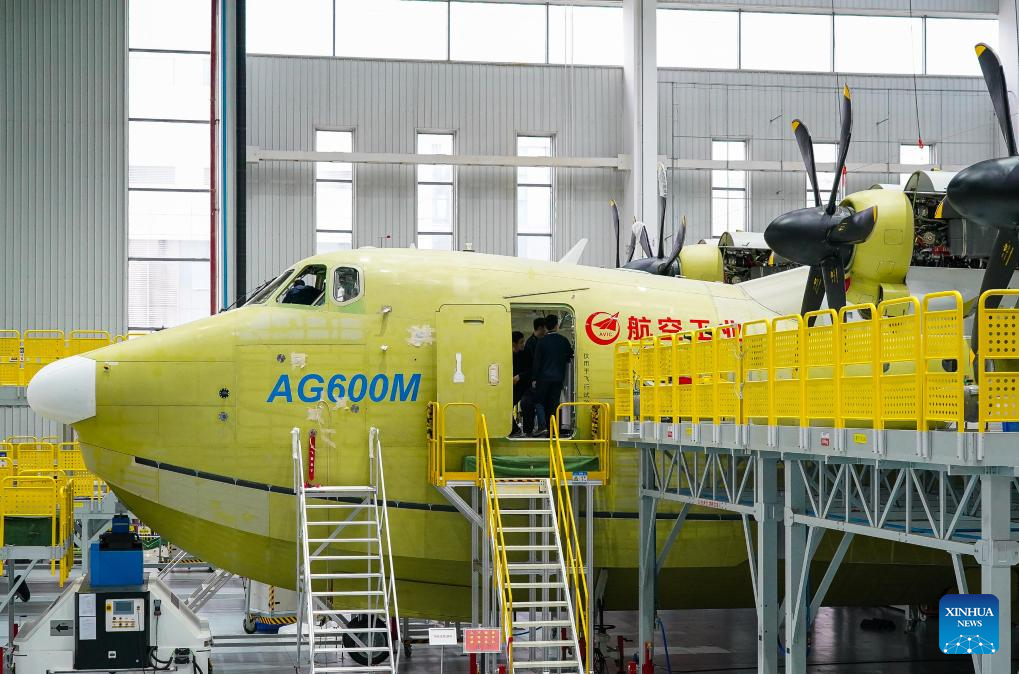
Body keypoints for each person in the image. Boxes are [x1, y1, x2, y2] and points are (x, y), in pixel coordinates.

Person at [531, 314, 574, 436]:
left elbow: (537, 362)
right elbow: (570, 355)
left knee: (539, 401)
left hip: (543, 378)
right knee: (553, 404)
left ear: (545, 327)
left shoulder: (541, 342)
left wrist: (534, 378)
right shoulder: (563, 341)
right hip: (558, 378)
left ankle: (543, 426)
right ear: (557, 326)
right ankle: (553, 430)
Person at [519, 317, 547, 436]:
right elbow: (532, 364)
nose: (545, 331)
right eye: (544, 329)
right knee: (535, 402)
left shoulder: (537, 342)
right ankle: (537, 428)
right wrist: (534, 379)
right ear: (539, 328)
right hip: (532, 380)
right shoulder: (531, 343)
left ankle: (533, 429)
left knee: (533, 403)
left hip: (537, 379)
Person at [510, 331, 529, 437]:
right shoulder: (509, 355)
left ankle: (515, 429)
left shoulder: (525, 354)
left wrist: (519, 376)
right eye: (521, 342)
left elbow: (530, 370)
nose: (523, 344)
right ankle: (514, 429)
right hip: (512, 386)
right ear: (514, 344)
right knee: (508, 406)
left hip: (522, 386)